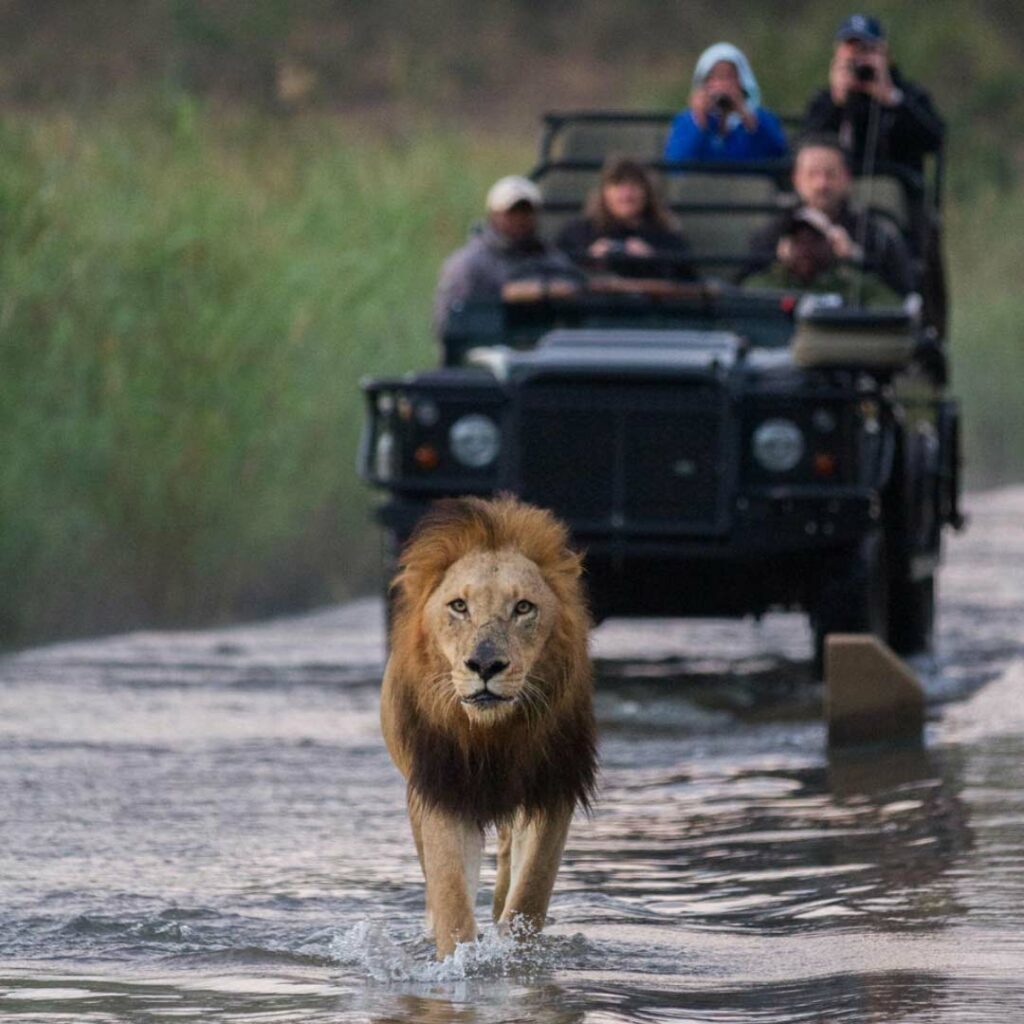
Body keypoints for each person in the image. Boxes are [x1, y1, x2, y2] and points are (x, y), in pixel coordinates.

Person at [745, 135, 914, 298]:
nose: (821, 184)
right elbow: (745, 289)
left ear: (847, 177)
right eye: (812, 174)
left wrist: (853, 261)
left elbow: (900, 296)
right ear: (796, 179)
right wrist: (780, 266)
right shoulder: (773, 234)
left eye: (830, 174)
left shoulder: (877, 236)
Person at [432, 175, 579, 337]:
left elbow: (574, 293)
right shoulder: (468, 264)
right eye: (512, 212)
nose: (520, 219)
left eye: (526, 211)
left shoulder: (552, 259)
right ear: (493, 215)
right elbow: (448, 322)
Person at [804, 14, 944, 176]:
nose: (860, 60)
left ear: (886, 55)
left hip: (890, 181)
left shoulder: (909, 95)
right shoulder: (825, 99)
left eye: (867, 51)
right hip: (838, 184)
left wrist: (891, 98)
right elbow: (806, 145)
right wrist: (837, 103)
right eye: (853, 52)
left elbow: (935, 139)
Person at [556, 157, 694, 278]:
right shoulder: (578, 232)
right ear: (604, 192)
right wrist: (588, 260)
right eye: (617, 185)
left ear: (647, 193)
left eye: (634, 185)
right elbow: (556, 274)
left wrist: (652, 260)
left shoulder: (667, 236)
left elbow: (689, 283)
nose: (626, 195)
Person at [743, 207, 902, 306]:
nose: (805, 249)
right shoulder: (763, 284)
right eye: (797, 241)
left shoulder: (855, 285)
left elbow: (891, 309)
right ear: (784, 247)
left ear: (831, 244)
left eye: (814, 240)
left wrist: (849, 261)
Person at [664, 43, 789, 163]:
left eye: (729, 77)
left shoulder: (763, 119)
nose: (721, 85)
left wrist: (746, 117)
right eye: (713, 78)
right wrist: (700, 120)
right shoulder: (686, 121)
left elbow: (777, 157)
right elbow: (677, 163)